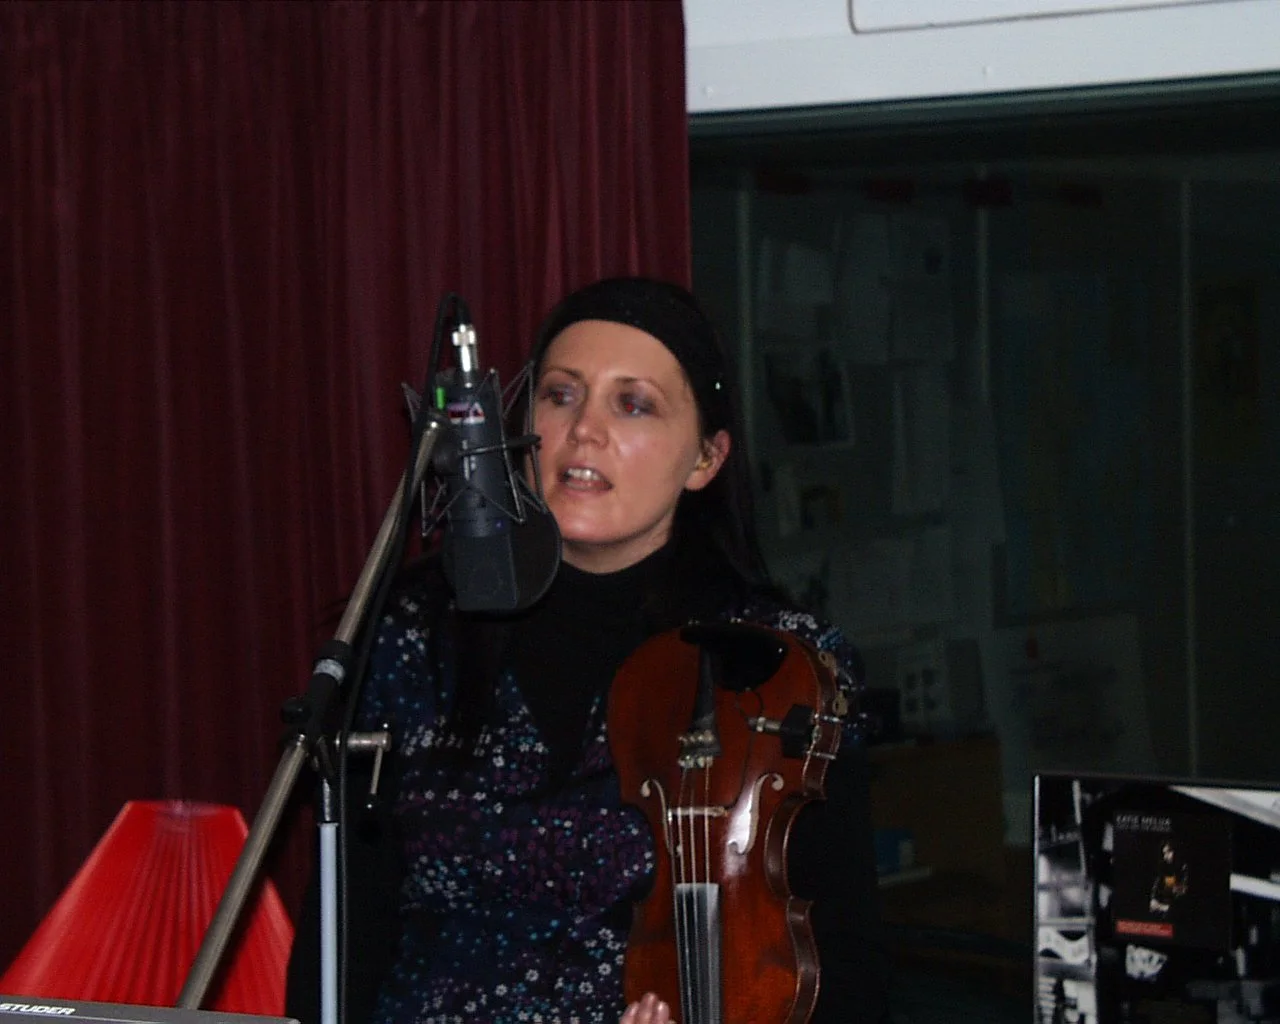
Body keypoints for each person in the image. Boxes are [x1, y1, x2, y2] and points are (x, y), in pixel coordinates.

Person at [286, 276, 891, 1024]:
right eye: (561, 395)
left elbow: (843, 963)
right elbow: (345, 933)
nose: (583, 431)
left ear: (706, 459)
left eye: (632, 404)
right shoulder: (411, 635)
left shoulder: (774, 665)